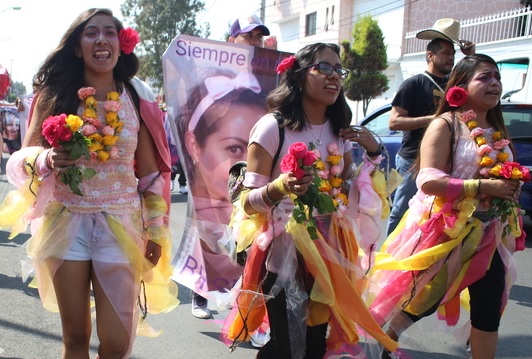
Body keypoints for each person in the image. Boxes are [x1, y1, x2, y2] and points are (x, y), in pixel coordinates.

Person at [0, 8, 178, 358]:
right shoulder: (55, 96)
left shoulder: (134, 97)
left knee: (115, 342)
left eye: (110, 33)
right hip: (66, 223)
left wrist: (156, 230)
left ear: (120, 44)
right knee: (76, 338)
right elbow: (22, 157)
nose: (101, 40)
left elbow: (151, 174)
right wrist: (46, 159)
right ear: (78, 48)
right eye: (91, 33)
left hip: (122, 226)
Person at [221, 42, 398, 358]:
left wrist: (374, 151)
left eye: (339, 70)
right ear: (300, 76)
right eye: (324, 68)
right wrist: (281, 186)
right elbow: (246, 203)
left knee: (314, 344)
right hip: (282, 251)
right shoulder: (271, 127)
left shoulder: (339, 131)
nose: (335, 77)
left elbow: (344, 189)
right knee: (289, 343)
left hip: (330, 249)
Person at [370, 54, 524, 359]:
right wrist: (482, 187)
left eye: (497, 76)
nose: (494, 82)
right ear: (461, 86)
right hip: (445, 233)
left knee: (489, 309)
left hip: (489, 234)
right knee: (423, 301)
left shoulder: (495, 130)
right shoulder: (446, 124)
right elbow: (427, 180)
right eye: (484, 77)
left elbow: (500, 173)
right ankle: (383, 342)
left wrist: (508, 187)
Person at [186, 15, 272, 322]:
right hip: (218, 159)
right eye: (249, 36)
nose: (255, 42)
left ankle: (242, 299)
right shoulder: (213, 69)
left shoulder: (268, 73)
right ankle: (201, 293)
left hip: (255, 161)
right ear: (232, 38)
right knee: (209, 228)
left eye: (259, 37)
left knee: (248, 234)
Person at [174, 67, 267, 320]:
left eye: (256, 148)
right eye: (234, 147)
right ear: (194, 145)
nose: (249, 160)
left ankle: (241, 301)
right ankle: (201, 293)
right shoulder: (205, 202)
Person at [387, 18, 475, 235]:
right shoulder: (414, 84)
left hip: (445, 161)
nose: (451, 58)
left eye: (453, 54)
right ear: (430, 55)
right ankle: (388, 260)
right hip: (412, 159)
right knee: (401, 210)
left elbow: (475, 82)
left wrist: (470, 56)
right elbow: (394, 121)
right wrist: (436, 120)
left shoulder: (454, 85)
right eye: (446, 53)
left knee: (437, 212)